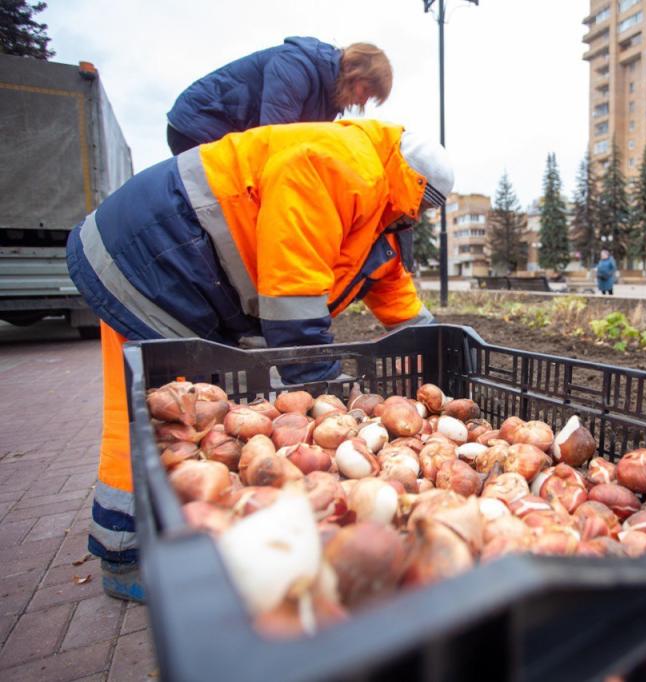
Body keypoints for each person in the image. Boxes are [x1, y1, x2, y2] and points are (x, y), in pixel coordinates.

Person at [66, 119, 453, 601]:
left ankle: (189, 527)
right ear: (417, 189)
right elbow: (293, 289)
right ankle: (122, 555)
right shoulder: (343, 165)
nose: (426, 216)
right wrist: (321, 393)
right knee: (143, 414)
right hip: (150, 260)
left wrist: (447, 344)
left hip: (192, 281)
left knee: (199, 425)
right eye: (430, 206)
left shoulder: (379, 213)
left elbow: (398, 297)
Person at [166, 38, 392, 154]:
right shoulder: (296, 65)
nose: (363, 102)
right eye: (366, 90)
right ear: (353, 70)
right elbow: (275, 140)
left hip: (226, 136)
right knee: (220, 212)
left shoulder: (327, 102)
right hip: (198, 124)